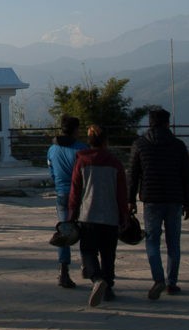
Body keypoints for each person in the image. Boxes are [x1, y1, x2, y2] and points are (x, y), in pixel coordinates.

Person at [128, 108, 189, 300]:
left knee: (152, 240)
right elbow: (186, 177)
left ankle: (158, 279)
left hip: (151, 199)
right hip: (174, 199)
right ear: (167, 123)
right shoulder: (178, 145)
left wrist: (130, 200)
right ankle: (171, 283)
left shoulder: (140, 144)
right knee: (173, 243)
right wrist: (188, 203)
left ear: (150, 123)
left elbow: (132, 175)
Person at [69, 125, 129, 307]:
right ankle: (108, 287)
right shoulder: (115, 163)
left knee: (88, 251)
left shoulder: (82, 162)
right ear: (106, 142)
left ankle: (96, 278)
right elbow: (121, 193)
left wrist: (72, 213)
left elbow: (75, 191)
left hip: (88, 215)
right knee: (108, 253)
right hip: (110, 216)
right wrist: (124, 215)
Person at [47, 115, 87, 288]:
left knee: (64, 231)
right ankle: (88, 265)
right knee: (85, 230)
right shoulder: (82, 150)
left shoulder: (52, 150)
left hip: (62, 193)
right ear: (76, 130)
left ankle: (63, 271)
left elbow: (51, 171)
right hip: (80, 195)